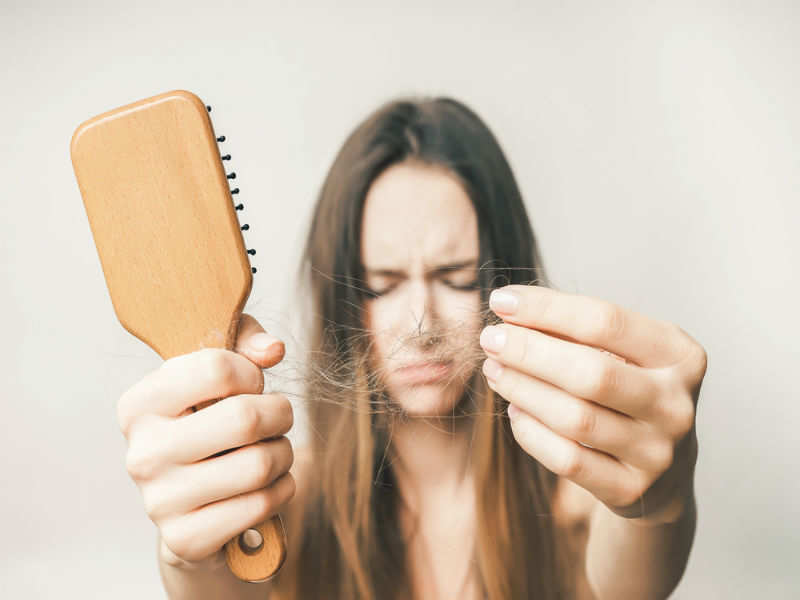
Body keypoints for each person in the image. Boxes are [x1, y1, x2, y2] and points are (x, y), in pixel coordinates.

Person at [117, 97, 706, 599]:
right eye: (381, 283)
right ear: (343, 302)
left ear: (504, 281)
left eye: (455, 276)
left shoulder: (579, 500)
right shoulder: (288, 504)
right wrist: (190, 557)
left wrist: (659, 505)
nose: (421, 324)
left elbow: (635, 577)